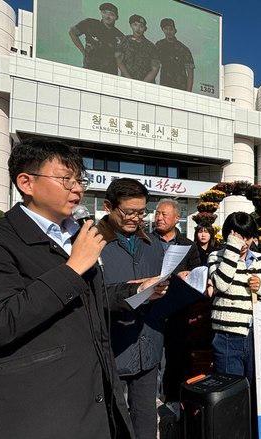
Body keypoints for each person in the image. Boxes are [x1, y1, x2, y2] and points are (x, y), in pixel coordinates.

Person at [0, 138, 164, 439]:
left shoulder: (76, 234)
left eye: (80, 179)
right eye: (66, 179)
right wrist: (73, 268)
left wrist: (138, 291)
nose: (78, 188)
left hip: (93, 397)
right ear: (26, 182)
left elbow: (92, 300)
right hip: (40, 410)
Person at [96, 179, 191, 439]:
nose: (136, 218)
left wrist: (176, 286)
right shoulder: (93, 243)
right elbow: (90, 297)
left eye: (141, 212)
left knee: (146, 415)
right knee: (113, 419)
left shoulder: (152, 244)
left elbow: (160, 285)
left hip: (148, 342)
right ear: (108, 206)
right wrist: (134, 291)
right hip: (112, 346)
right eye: (128, 212)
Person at [208, 212, 261, 384]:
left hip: (257, 334)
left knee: (256, 388)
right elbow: (221, 284)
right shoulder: (215, 256)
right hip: (227, 335)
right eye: (237, 237)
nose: (243, 242)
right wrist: (232, 250)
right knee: (231, 389)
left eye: (247, 237)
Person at [152, 199, 205, 407]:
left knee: (175, 356)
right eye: (157, 213)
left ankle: (173, 399)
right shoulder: (147, 240)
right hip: (152, 307)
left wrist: (189, 275)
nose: (159, 217)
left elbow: (198, 273)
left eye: (164, 214)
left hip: (178, 310)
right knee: (154, 356)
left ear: (176, 218)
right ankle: (153, 399)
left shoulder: (188, 246)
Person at [69, 2, 124, 74]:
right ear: (101, 13)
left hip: (110, 74)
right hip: (89, 69)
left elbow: (121, 58)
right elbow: (72, 32)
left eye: (111, 14)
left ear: (116, 17)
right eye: (105, 12)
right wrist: (83, 52)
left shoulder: (120, 36)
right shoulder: (90, 23)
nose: (107, 16)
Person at [116, 15, 160, 82]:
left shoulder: (151, 46)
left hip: (146, 85)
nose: (138, 28)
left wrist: (142, 84)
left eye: (141, 26)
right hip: (126, 82)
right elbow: (119, 61)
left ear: (145, 28)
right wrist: (129, 80)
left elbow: (155, 68)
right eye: (135, 25)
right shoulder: (124, 40)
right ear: (131, 25)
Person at [156, 18, 195, 92]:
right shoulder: (159, 45)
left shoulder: (183, 49)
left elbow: (190, 74)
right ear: (163, 30)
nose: (168, 31)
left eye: (171, 29)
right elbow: (154, 67)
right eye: (166, 29)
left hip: (181, 87)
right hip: (165, 86)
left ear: (175, 30)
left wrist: (188, 93)